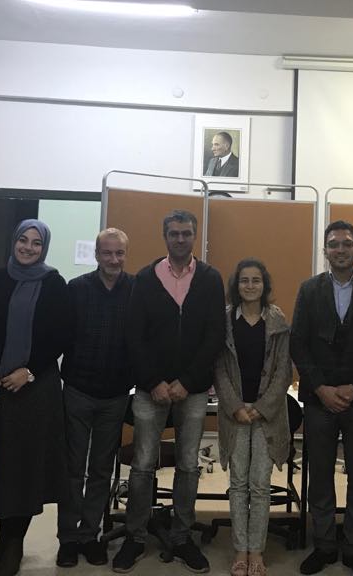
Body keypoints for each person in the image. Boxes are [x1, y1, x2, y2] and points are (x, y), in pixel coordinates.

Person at [113, 210, 225, 574]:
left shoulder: (210, 279)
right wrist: (153, 381)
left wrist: (187, 381)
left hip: (193, 391)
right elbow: (134, 335)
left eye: (186, 233)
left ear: (195, 236)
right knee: (143, 465)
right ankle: (135, 536)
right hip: (151, 390)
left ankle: (181, 535)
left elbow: (214, 336)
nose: (180, 239)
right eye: (174, 233)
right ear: (165, 237)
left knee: (189, 465)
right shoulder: (146, 278)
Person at [289, 220, 353, 576]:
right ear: (325, 250)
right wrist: (321, 388)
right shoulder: (309, 290)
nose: (340, 249)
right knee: (319, 475)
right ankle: (324, 545)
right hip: (319, 400)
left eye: (347, 243)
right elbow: (298, 344)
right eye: (333, 244)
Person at [0, 219, 71, 576]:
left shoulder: (53, 283)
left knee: (26, 469)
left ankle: (14, 541)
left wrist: (29, 370)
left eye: (36, 243)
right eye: (23, 239)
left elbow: (61, 335)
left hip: (36, 389)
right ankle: (0, 539)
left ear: (44, 247)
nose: (28, 247)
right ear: (14, 241)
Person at [57, 228, 134, 568]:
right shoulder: (76, 289)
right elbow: (63, 336)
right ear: (96, 255)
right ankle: (67, 538)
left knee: (101, 470)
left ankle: (90, 536)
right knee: (73, 469)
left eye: (119, 253)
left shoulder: (136, 290)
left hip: (115, 395)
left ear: (125, 254)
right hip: (78, 390)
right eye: (107, 253)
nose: (113, 259)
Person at [213, 258, 293, 576]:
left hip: (266, 415)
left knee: (260, 485)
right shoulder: (224, 321)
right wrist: (235, 406)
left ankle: (256, 551)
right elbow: (218, 368)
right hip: (234, 414)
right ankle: (240, 549)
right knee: (238, 484)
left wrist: (261, 407)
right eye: (244, 280)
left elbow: (284, 370)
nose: (250, 286)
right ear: (237, 285)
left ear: (264, 284)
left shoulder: (277, 320)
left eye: (255, 280)